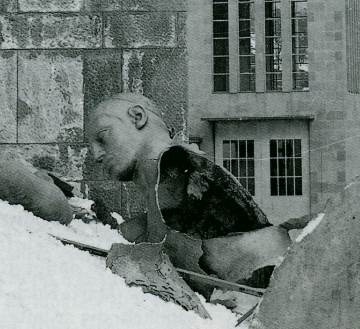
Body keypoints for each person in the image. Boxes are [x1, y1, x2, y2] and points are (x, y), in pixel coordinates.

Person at [87, 93, 291, 290]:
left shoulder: (175, 163)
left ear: (137, 117)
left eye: (102, 137)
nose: (96, 155)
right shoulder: (175, 173)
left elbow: (159, 257)